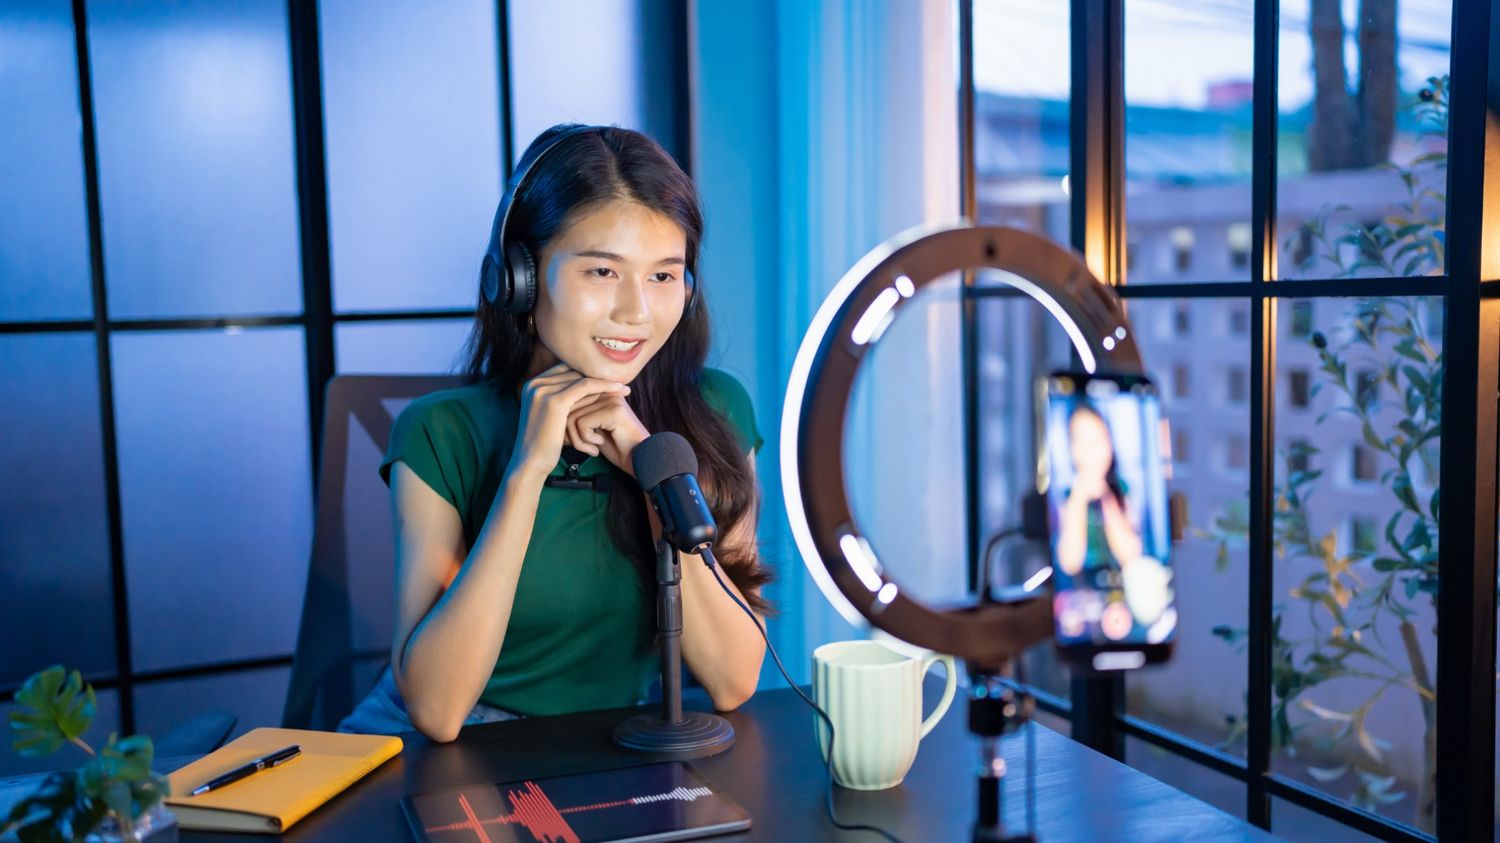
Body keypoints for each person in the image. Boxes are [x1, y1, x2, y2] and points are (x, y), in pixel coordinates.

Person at [339, 125, 771, 741]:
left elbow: (733, 679)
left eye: (663, 276)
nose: (637, 313)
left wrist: (652, 474)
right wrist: (525, 473)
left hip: (607, 748)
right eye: (602, 271)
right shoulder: (440, 433)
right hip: (447, 752)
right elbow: (435, 711)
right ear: (520, 276)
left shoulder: (714, 413)